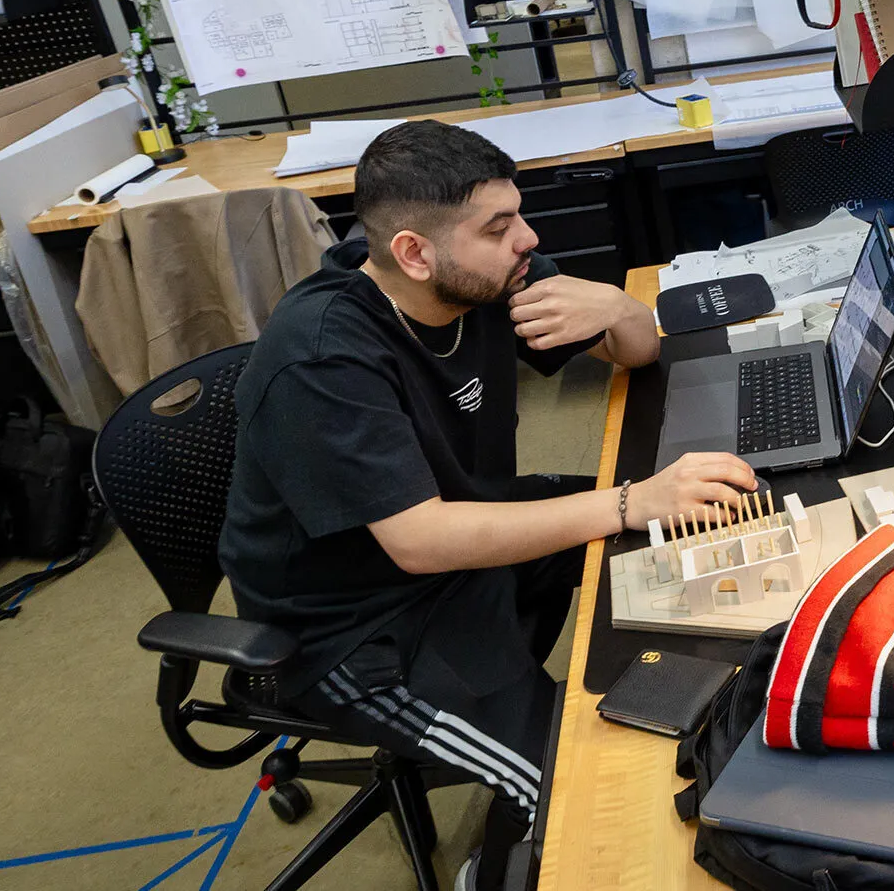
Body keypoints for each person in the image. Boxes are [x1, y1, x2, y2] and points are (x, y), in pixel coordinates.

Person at [218, 120, 757, 890]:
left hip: (470, 532)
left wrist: (612, 303)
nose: (527, 239)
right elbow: (419, 540)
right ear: (414, 252)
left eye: (519, 214)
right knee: (577, 789)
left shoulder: (488, 274)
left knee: (682, 529)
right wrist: (631, 499)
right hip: (359, 627)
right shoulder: (323, 355)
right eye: (500, 227)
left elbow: (637, 349)